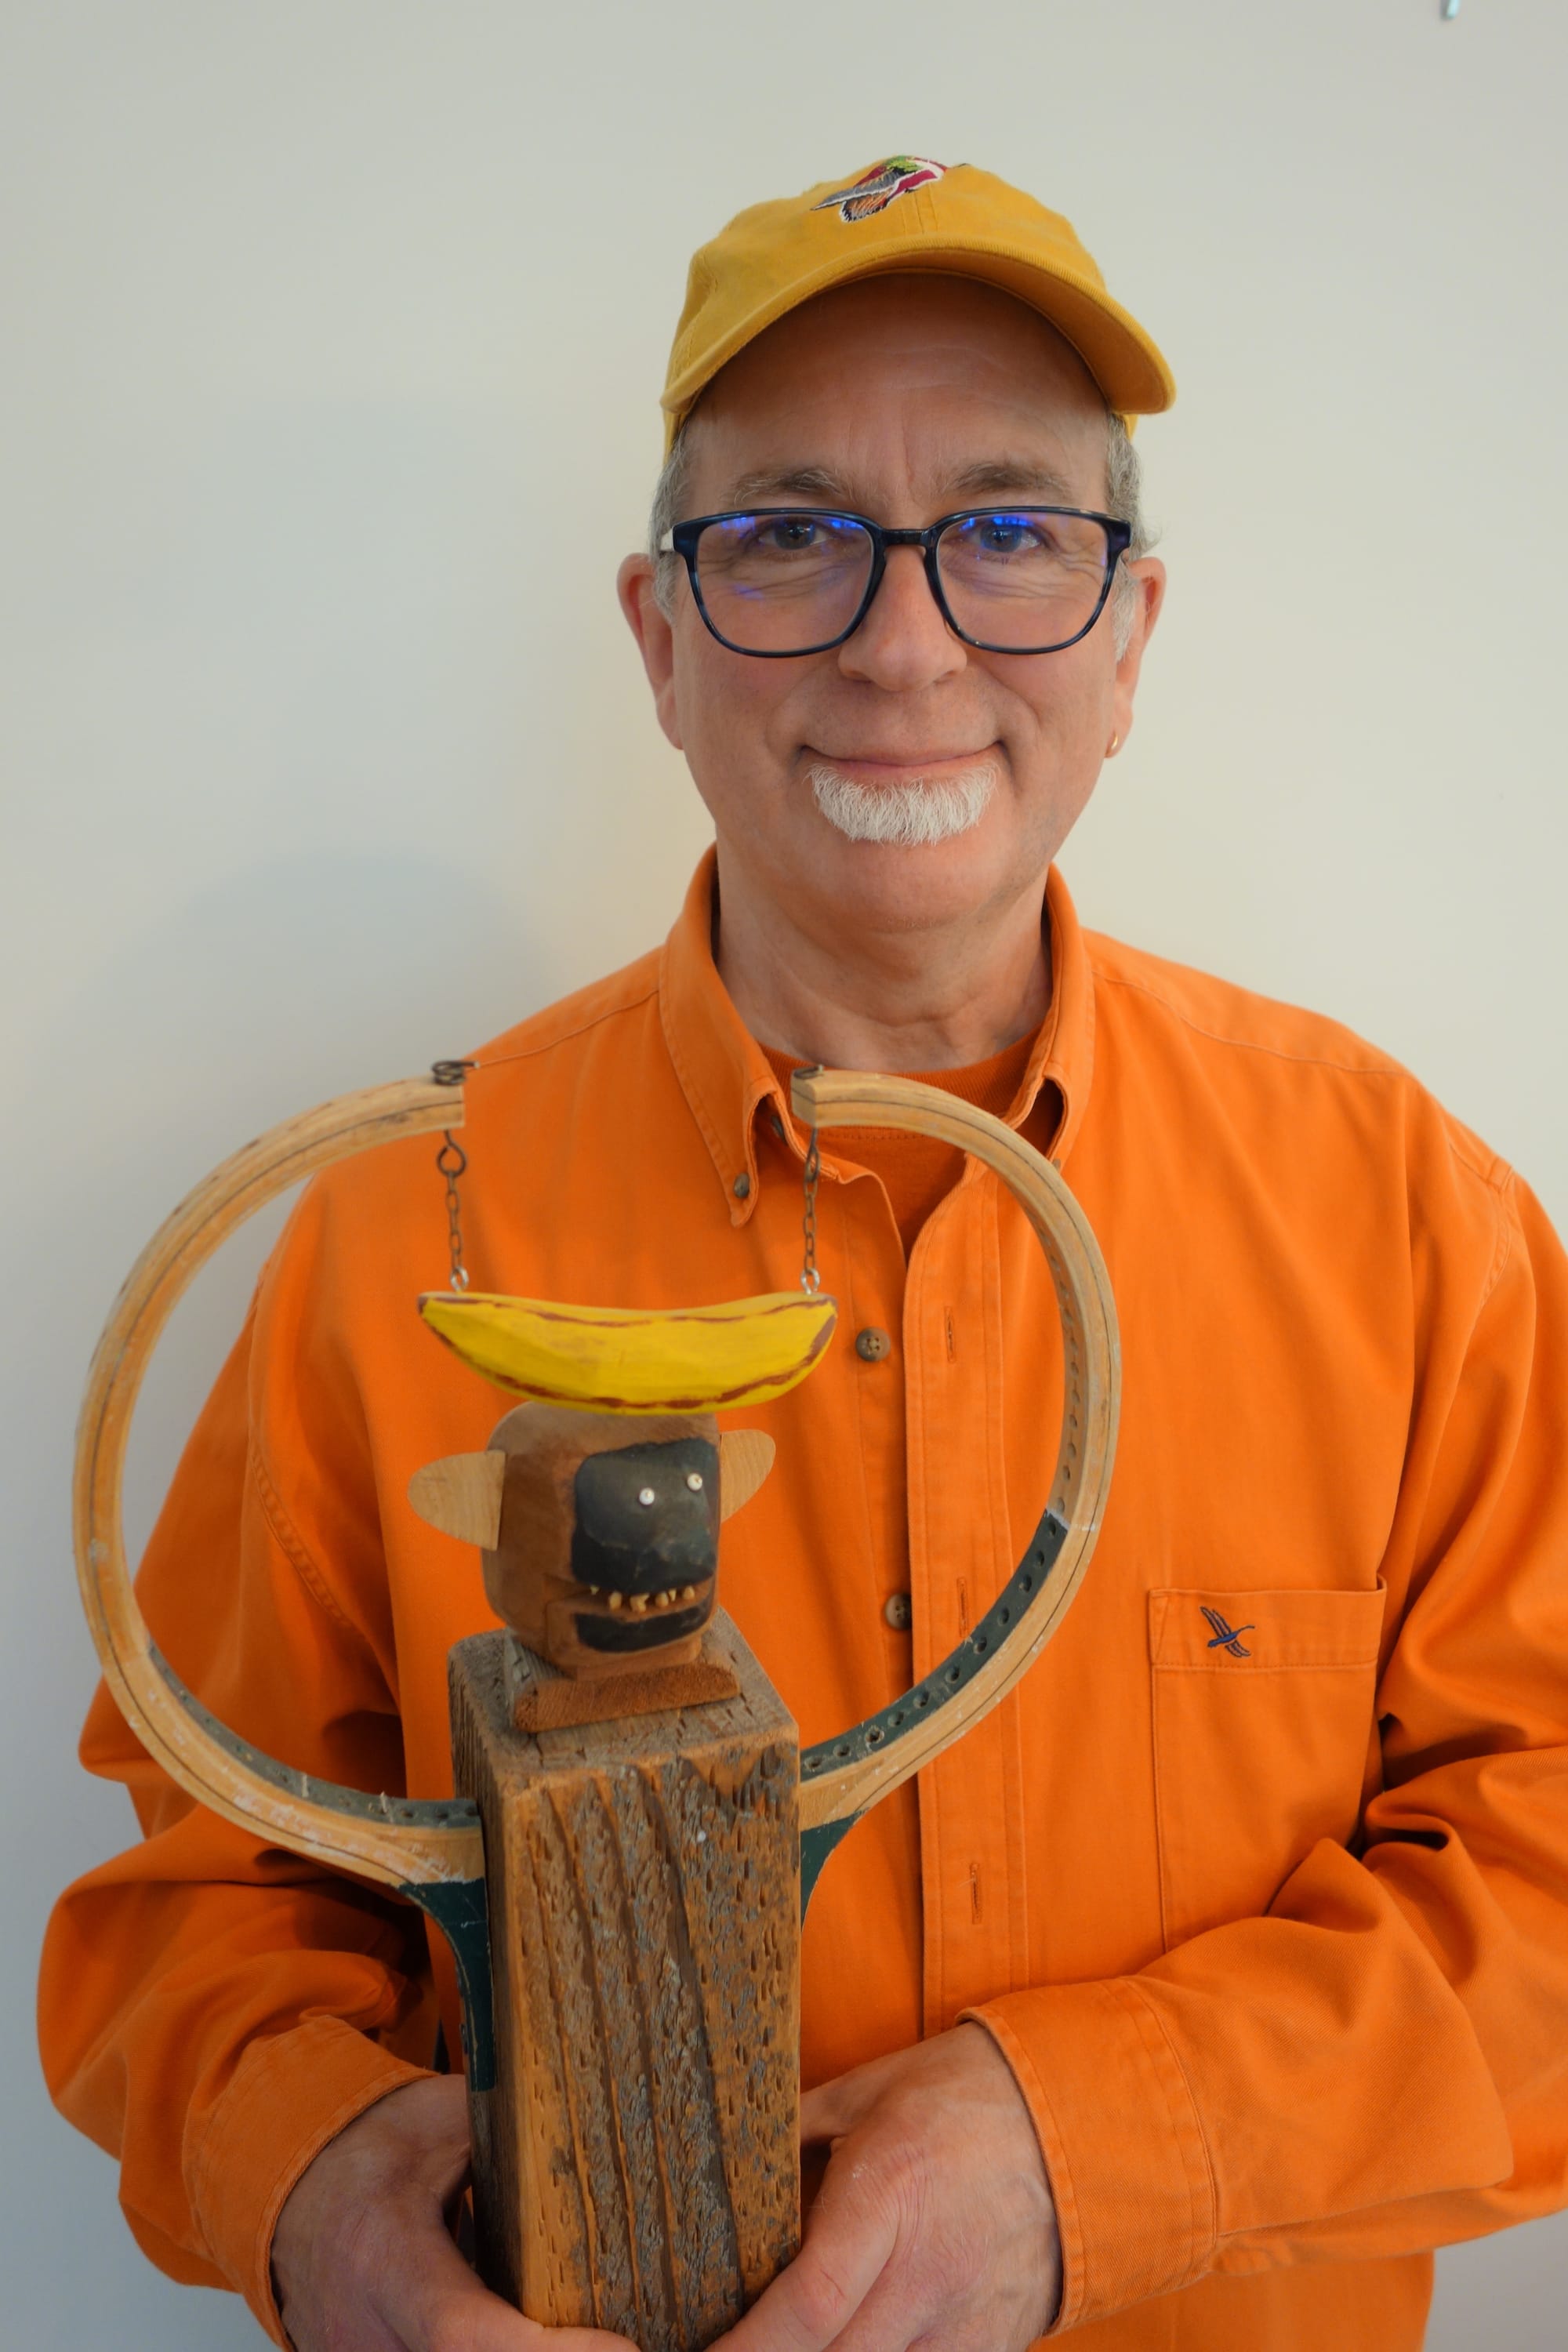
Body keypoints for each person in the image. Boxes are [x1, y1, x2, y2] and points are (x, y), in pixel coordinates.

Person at [39, 157, 1568, 2352]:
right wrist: (310, 2202)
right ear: (661, 644)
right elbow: (193, 1914)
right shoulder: (401, 1229)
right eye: (788, 537)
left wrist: (1097, 2149)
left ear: (1131, 641)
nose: (905, 639)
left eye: (1013, 530)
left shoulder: (1409, 1215)